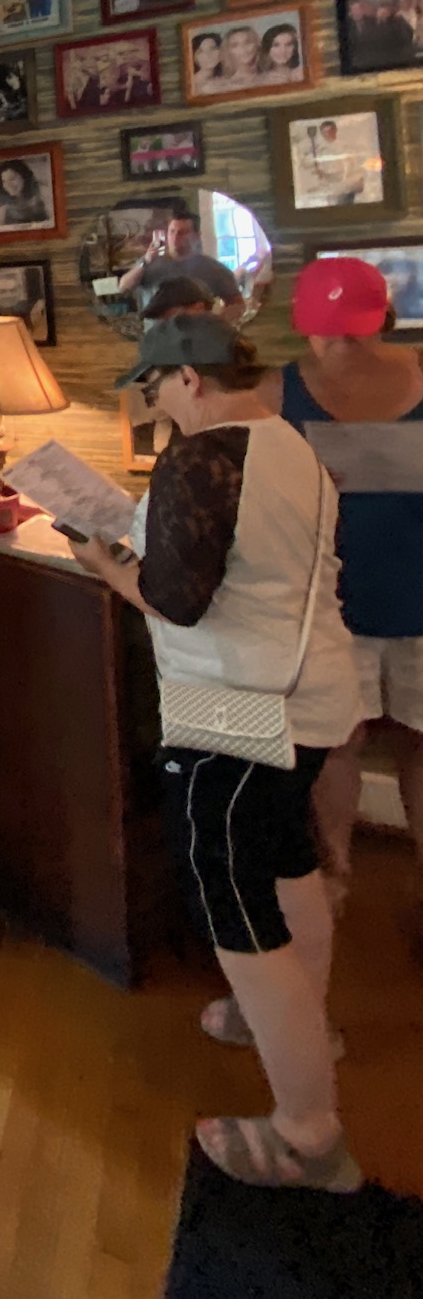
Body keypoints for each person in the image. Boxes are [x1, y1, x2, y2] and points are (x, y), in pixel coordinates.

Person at [72, 315, 362, 1191]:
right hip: (310, 689)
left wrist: (105, 562)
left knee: (234, 898)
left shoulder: (202, 456)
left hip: (241, 703)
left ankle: (309, 1133)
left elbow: (174, 600)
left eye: (154, 388)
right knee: (283, 862)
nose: (153, 406)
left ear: (189, 379)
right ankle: (289, 1022)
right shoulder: (285, 440)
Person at [277, 259, 423, 924]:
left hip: (417, 595)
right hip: (331, 605)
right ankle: (334, 877)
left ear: (383, 321)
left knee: (419, 743)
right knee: (336, 742)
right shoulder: (278, 392)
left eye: (356, 330)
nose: (343, 345)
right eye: (329, 331)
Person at [119, 210, 244, 322]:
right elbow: (123, 288)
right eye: (172, 231)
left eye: (183, 232)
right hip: (157, 339)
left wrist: (216, 323)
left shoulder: (213, 268)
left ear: (196, 236)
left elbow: (237, 304)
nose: (175, 237)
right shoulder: (149, 262)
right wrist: (145, 262)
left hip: (199, 340)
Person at [0, 159, 50, 228]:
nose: (8, 185)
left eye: (12, 179)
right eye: (4, 181)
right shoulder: (2, 210)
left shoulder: (41, 199)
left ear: (24, 176)